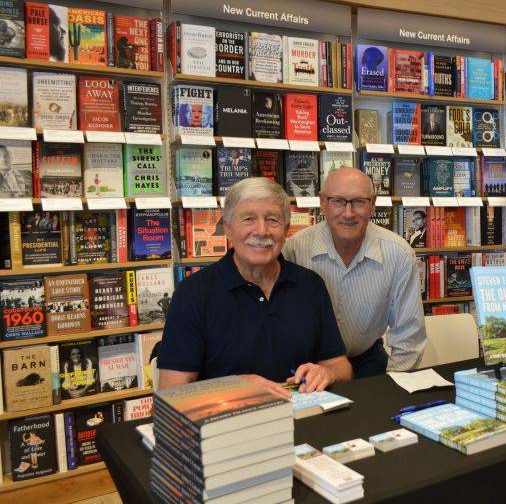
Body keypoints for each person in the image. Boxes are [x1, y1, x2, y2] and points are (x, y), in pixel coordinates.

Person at [157, 177, 352, 394]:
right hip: (227, 422)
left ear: (287, 230)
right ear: (228, 229)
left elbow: (340, 366)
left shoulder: (311, 285)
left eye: (273, 220)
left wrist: (327, 373)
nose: (262, 231)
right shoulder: (192, 294)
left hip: (302, 417)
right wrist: (235, 388)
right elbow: (169, 394)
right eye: (248, 219)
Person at [284, 167, 426, 378]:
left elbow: (409, 336)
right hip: (309, 366)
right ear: (323, 202)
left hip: (368, 360)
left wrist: (392, 388)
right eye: (338, 201)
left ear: (372, 204)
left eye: (359, 201)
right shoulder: (295, 249)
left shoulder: (398, 253)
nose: (348, 213)